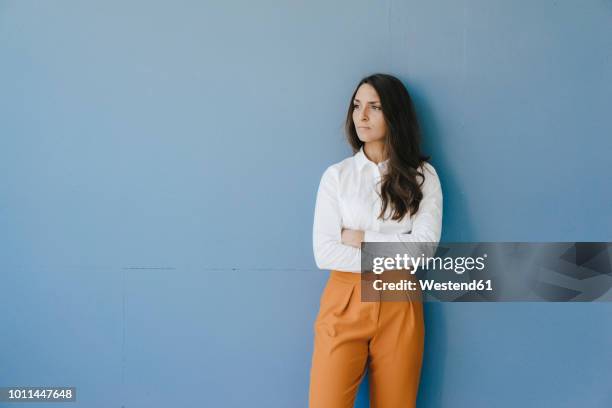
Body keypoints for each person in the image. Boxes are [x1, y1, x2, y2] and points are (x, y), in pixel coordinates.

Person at [308, 73, 443, 408]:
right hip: (345, 296)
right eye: (356, 106)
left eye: (374, 107)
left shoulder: (422, 177)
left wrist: (360, 238)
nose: (361, 116)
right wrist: (397, 245)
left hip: (400, 299)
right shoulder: (337, 177)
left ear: (394, 114)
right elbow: (325, 253)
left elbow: (424, 250)